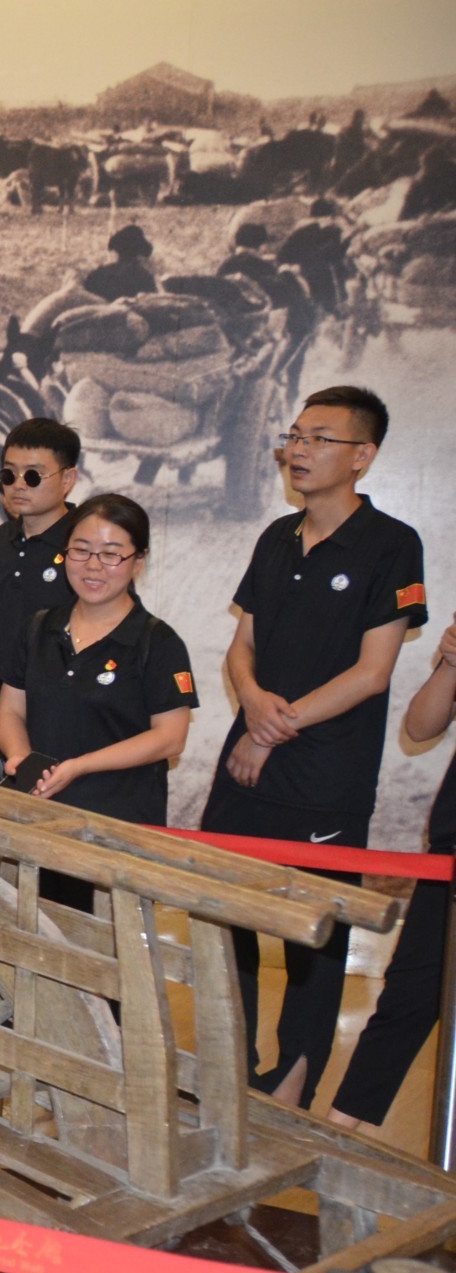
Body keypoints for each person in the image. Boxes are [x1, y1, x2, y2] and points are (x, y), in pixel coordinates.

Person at [201, 385, 427, 1111]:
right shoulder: (276, 537)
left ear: (362, 456)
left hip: (324, 778)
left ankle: (293, 1086)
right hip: (245, 765)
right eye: (294, 436)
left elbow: (373, 673)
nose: (297, 451)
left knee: (314, 938)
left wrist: (271, 727)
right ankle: (231, 1070)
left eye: (318, 439)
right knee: (222, 918)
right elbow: (242, 648)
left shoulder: (391, 544)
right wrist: (252, 702)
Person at [0, 494, 197, 909]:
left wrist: (80, 766)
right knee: (33, 937)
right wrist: (20, 758)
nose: (93, 566)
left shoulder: (157, 642)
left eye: (111, 554)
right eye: (81, 550)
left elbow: (170, 738)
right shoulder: (39, 628)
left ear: (138, 561)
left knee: (104, 945)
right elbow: (10, 711)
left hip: (116, 835)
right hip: (39, 825)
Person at [326, 616, 456, 1131]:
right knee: (408, 996)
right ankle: (339, 1138)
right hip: (448, 855)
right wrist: (450, 664)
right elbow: (420, 727)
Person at [0, 419, 82, 720]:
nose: (18, 485)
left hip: (51, 720)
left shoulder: (85, 547)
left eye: (33, 476)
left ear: (68, 479)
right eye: (9, 474)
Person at [82, 224, 159, 303]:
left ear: (117, 250)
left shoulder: (97, 274)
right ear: (140, 252)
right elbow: (152, 304)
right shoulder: (144, 277)